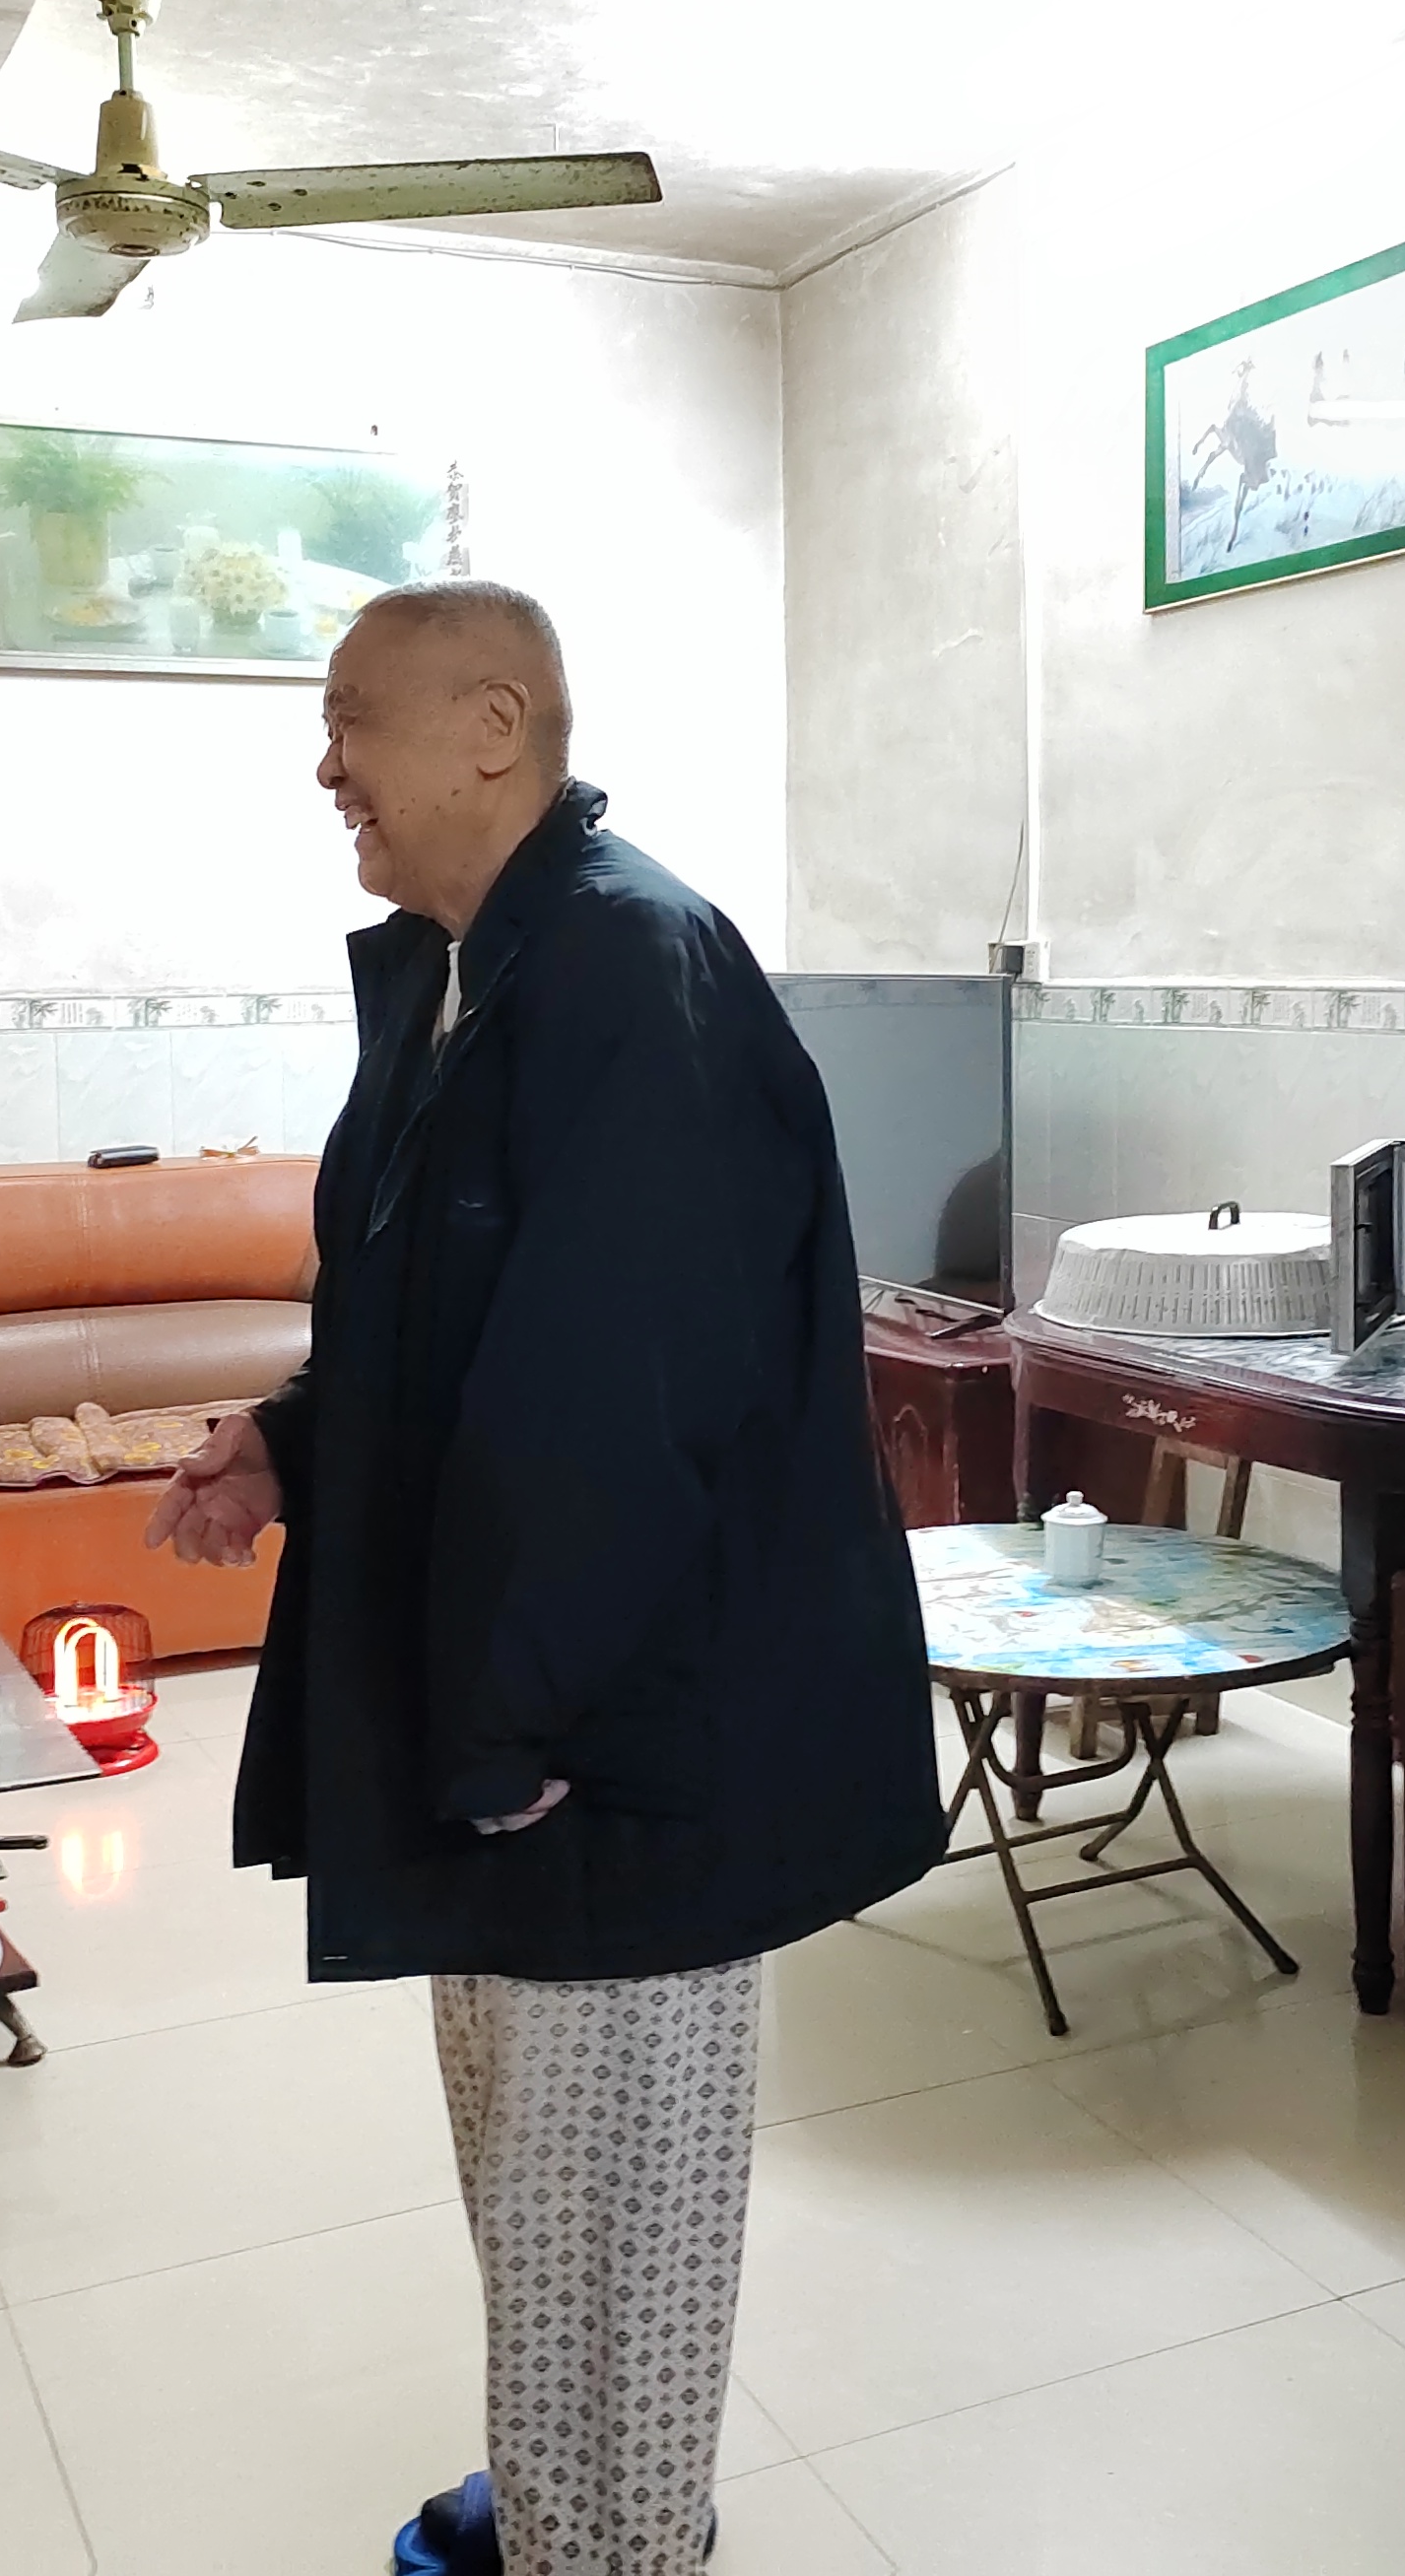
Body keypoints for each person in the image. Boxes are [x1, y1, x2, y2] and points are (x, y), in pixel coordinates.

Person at [147, 578, 946, 2576]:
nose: (324, 765)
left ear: (492, 728)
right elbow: (450, 1317)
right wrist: (296, 1439)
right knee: (533, 2181)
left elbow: (622, 1394)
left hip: (614, 1740)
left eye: (353, 719)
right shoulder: (473, 972)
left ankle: (617, 2547)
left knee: (616, 2221)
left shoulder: (631, 969)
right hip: (512, 1709)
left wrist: (514, 1717)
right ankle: (563, 2509)